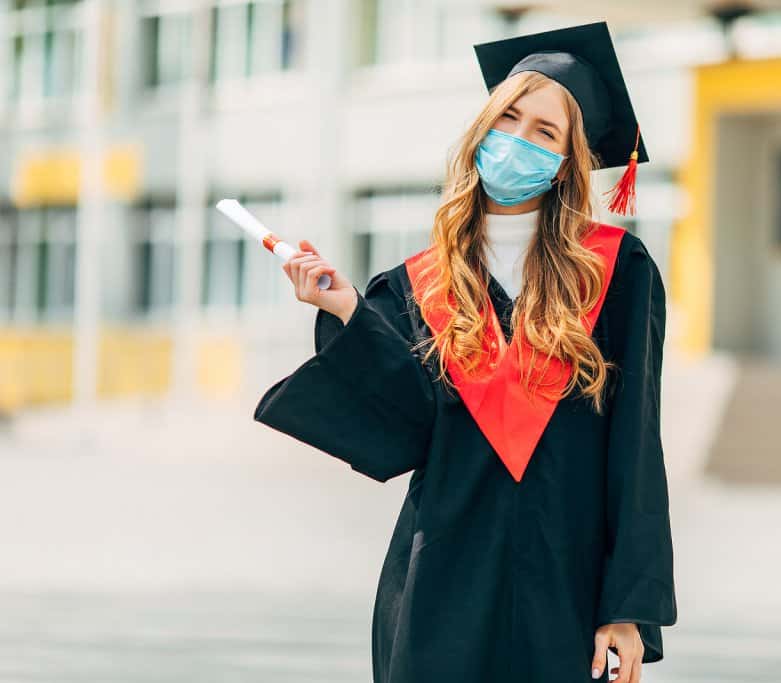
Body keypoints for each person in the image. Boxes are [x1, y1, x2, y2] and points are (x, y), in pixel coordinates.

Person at [253, 20, 677, 683]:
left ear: (570, 158)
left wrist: (627, 606)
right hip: (440, 581)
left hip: (564, 585)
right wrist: (345, 310)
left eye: (545, 130)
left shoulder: (616, 273)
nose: (519, 139)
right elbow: (403, 434)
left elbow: (635, 444)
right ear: (482, 130)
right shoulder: (419, 283)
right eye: (509, 116)